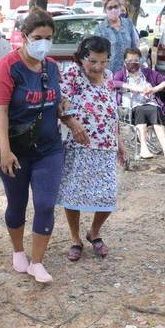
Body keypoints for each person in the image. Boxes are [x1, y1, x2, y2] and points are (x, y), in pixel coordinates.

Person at [0, 8, 89, 283]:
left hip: (48, 148)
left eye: (48, 37)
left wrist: (69, 117)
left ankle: (37, 262)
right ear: (24, 37)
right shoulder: (7, 68)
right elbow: (1, 113)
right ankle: (18, 250)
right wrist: (5, 151)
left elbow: (56, 102)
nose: (43, 42)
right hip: (14, 149)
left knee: (45, 203)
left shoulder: (52, 67)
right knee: (17, 202)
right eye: (37, 37)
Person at [58, 36, 126, 261]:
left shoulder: (107, 78)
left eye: (104, 62)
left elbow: (111, 112)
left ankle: (94, 232)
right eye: (93, 61)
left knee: (108, 195)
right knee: (73, 194)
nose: (98, 67)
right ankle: (75, 238)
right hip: (79, 146)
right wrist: (73, 122)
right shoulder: (72, 74)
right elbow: (60, 103)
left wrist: (119, 141)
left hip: (106, 146)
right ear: (81, 58)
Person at [114, 48, 165, 159]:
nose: (133, 63)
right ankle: (144, 149)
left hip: (150, 103)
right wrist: (134, 88)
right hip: (132, 106)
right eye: (130, 61)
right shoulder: (121, 74)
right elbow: (114, 82)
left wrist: (154, 89)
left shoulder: (147, 72)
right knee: (141, 110)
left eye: (135, 60)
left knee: (156, 110)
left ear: (140, 60)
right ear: (124, 62)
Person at [94, 0, 138, 74]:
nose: (113, 10)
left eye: (115, 7)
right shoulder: (100, 28)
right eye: (110, 8)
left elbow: (135, 46)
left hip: (128, 71)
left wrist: (140, 62)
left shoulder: (128, 24)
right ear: (105, 10)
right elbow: (97, 52)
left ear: (120, 8)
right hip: (108, 73)